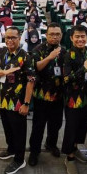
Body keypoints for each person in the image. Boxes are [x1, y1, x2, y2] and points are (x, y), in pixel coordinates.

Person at [0, 26, 36, 174]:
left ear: (19, 38)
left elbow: (31, 81)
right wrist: (4, 72)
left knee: (19, 132)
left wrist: (26, 103)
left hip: (18, 102)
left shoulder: (25, 56)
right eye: (7, 37)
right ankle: (11, 149)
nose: (10, 40)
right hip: (3, 99)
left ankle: (19, 159)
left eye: (13, 38)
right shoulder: (2, 52)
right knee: (8, 128)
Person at [60, 25, 87, 174]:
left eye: (83, 36)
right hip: (73, 98)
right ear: (71, 38)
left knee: (82, 126)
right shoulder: (67, 55)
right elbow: (66, 79)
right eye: (77, 36)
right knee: (71, 127)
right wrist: (84, 67)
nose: (80, 39)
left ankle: (75, 149)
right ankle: (69, 157)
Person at [28, 23, 66, 165]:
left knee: (56, 124)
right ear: (46, 35)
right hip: (41, 95)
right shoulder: (38, 49)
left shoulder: (65, 51)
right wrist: (50, 57)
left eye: (57, 34)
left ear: (61, 36)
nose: (54, 37)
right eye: (51, 34)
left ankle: (51, 144)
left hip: (58, 95)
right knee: (38, 126)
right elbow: (36, 67)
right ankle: (34, 151)